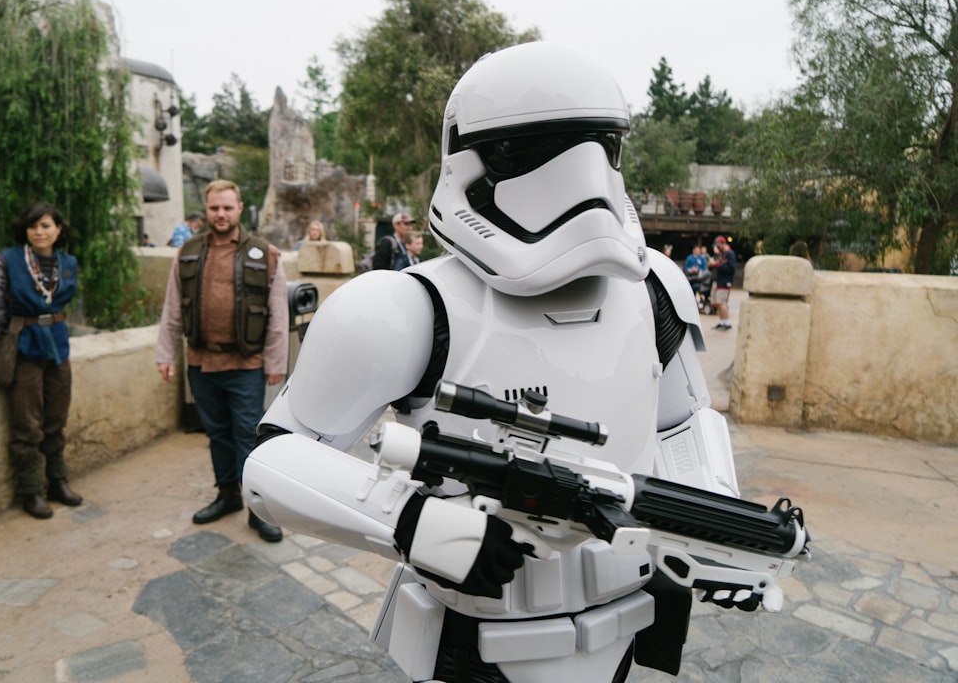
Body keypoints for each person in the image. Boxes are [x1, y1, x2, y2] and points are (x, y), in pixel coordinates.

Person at [244, 42, 806, 683]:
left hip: (622, 627)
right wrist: (407, 519)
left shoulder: (657, 289)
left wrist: (720, 534)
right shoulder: (405, 307)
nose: (586, 180)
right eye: (542, 150)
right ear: (475, 162)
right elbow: (270, 464)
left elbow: (681, 426)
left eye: (603, 146)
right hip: (480, 644)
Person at [155, 179, 289, 541]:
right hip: (201, 363)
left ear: (240, 208)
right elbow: (172, 309)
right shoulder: (187, 252)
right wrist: (166, 353)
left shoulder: (265, 253)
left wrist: (276, 362)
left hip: (245, 364)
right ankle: (227, 495)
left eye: (227, 207)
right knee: (216, 434)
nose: (220, 214)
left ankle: (257, 510)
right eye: (214, 208)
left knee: (247, 435)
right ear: (206, 208)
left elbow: (278, 314)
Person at [0, 202, 83, 519]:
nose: (39, 232)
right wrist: (2, 346)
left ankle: (58, 481)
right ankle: (31, 491)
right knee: (27, 424)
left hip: (57, 345)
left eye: (46, 225)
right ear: (25, 230)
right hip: (25, 346)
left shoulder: (67, 263)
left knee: (56, 417)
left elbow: (63, 301)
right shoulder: (7, 261)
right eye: (33, 226)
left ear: (58, 229)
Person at [709, 235, 736, 330]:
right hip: (719, 280)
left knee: (722, 302)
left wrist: (716, 264)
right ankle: (721, 321)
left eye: (718, 245)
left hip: (725, 281)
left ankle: (726, 323)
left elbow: (731, 268)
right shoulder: (722, 254)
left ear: (723, 244)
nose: (717, 247)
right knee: (717, 302)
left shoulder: (730, 254)